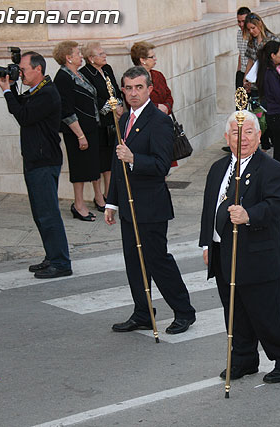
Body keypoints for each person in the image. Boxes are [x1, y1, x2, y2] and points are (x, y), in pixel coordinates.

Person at [199, 110, 280, 384]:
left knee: (268, 313)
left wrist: (249, 215)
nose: (242, 138)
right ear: (226, 136)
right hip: (223, 252)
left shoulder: (273, 170)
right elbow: (210, 208)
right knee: (235, 311)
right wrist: (207, 244)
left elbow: (275, 206)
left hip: (258, 256)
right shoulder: (218, 168)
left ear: (258, 136)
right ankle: (244, 359)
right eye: (236, 132)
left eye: (248, 132)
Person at [105, 66, 196, 335]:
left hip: (151, 206)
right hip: (127, 207)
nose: (133, 93)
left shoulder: (159, 122)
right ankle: (143, 312)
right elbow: (115, 162)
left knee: (158, 261)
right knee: (133, 262)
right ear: (123, 90)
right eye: (128, 88)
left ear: (149, 89)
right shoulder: (123, 120)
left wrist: (134, 159)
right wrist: (111, 202)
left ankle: (184, 312)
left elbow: (160, 166)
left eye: (139, 88)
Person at [0, 52, 72, 279]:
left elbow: (24, 116)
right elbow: (24, 107)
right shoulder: (37, 91)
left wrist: (7, 91)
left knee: (48, 214)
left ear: (38, 69)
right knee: (40, 214)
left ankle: (61, 262)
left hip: (44, 161)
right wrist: (11, 85)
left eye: (23, 70)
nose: (20, 73)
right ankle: (52, 256)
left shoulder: (48, 93)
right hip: (34, 160)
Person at [53, 40, 101, 221]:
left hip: (90, 128)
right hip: (77, 132)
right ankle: (79, 205)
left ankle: (87, 202)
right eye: (77, 53)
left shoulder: (78, 74)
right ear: (68, 57)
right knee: (79, 169)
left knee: (90, 167)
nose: (80, 56)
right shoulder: (63, 77)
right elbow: (66, 110)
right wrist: (80, 135)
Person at [80, 42, 123, 209]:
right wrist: (111, 108)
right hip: (98, 122)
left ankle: (109, 193)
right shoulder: (85, 73)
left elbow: (116, 90)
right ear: (91, 58)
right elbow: (91, 98)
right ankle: (98, 196)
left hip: (113, 122)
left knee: (110, 159)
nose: (105, 55)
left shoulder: (107, 69)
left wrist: (118, 106)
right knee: (98, 161)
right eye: (101, 53)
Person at [130, 41, 178, 167]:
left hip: (162, 123)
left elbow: (168, 95)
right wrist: (157, 108)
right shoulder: (133, 78)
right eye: (152, 57)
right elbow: (135, 101)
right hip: (145, 126)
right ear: (142, 60)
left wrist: (166, 107)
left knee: (164, 161)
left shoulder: (158, 75)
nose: (155, 59)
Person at [256, 41, 280, 166]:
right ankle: (277, 182)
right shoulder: (270, 74)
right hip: (279, 116)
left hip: (279, 115)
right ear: (272, 55)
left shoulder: (271, 72)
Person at [243, 13, 280, 90]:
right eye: (249, 29)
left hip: (270, 80)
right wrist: (245, 79)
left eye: (253, 28)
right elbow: (250, 61)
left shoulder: (272, 39)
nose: (251, 31)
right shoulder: (251, 42)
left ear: (259, 24)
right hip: (255, 82)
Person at [235, 6, 251, 89]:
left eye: (243, 21)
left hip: (251, 75)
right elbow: (241, 53)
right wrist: (238, 71)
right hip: (241, 72)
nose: (241, 24)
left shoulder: (254, 35)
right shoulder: (239, 34)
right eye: (239, 21)